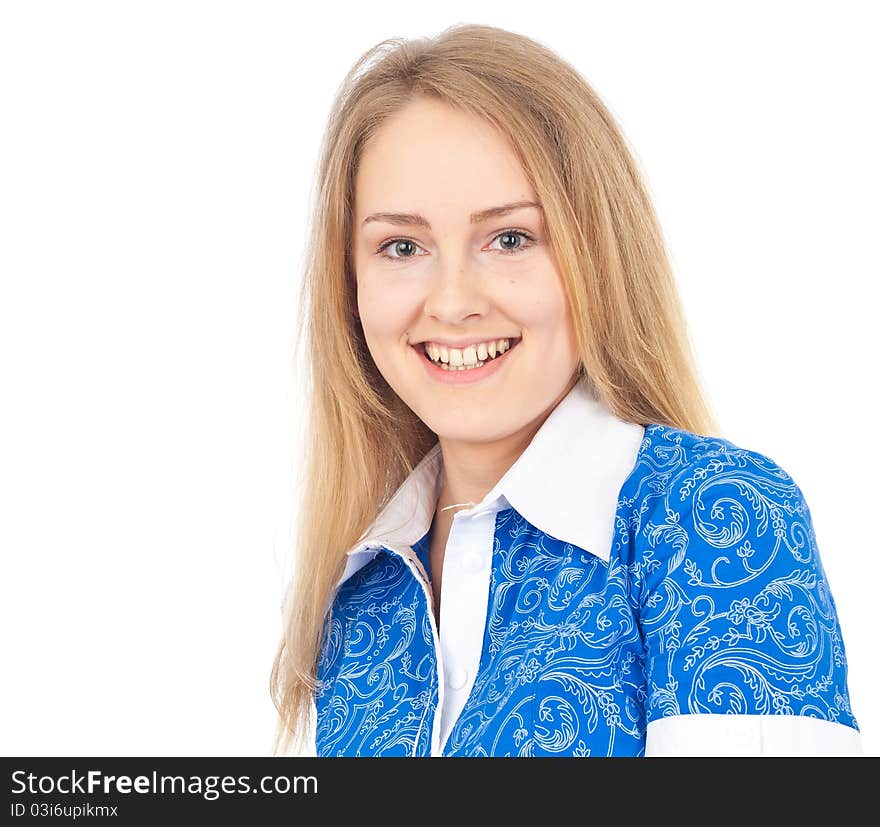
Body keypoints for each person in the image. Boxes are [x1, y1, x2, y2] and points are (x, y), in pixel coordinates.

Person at [270, 23, 862, 757]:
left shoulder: (713, 517)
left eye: (510, 238)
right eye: (402, 246)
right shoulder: (362, 597)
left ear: (597, 256)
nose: (453, 302)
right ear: (350, 287)